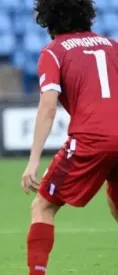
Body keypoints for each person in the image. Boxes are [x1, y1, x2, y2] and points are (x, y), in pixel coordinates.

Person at [21, 1, 118, 274]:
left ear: (48, 21)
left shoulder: (53, 51)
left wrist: (33, 161)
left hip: (91, 139)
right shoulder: (113, 46)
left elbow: (48, 107)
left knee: (43, 206)